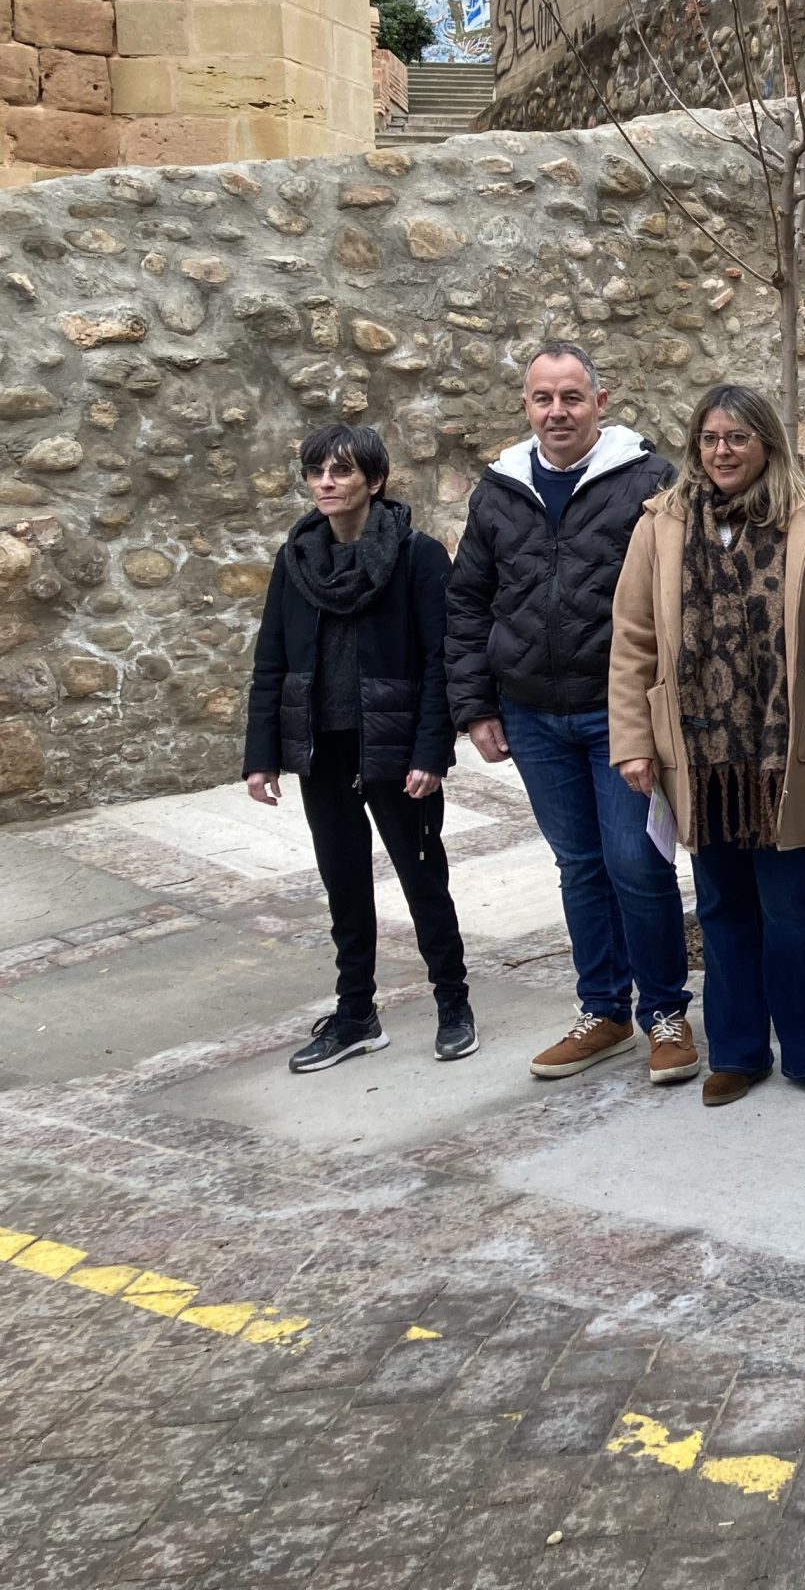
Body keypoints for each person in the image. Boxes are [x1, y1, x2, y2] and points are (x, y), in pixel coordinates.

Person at [446, 342, 700, 1085]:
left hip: (617, 715)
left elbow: (677, 597)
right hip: (531, 716)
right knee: (579, 868)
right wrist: (475, 705)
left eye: (571, 398)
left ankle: (664, 1013)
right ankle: (604, 1011)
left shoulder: (648, 482)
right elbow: (467, 602)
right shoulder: (499, 489)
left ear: (600, 400)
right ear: (526, 406)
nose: (556, 412)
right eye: (542, 399)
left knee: (636, 863)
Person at [609, 384, 805, 1106]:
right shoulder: (660, 524)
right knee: (720, 905)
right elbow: (632, 641)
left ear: (768, 445)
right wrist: (633, 743)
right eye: (711, 438)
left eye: (739, 438)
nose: (723, 452)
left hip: (786, 747)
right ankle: (739, 1051)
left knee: (797, 905)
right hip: (700, 755)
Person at [244, 425, 474, 1072]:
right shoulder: (296, 562)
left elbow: (442, 663)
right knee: (344, 885)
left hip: (398, 749)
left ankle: (453, 1005)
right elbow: (271, 662)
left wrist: (432, 752)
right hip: (324, 749)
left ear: (373, 481)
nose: (325, 482)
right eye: (315, 471)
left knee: (423, 878)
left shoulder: (417, 556)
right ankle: (355, 1015)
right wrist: (262, 755)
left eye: (340, 472)